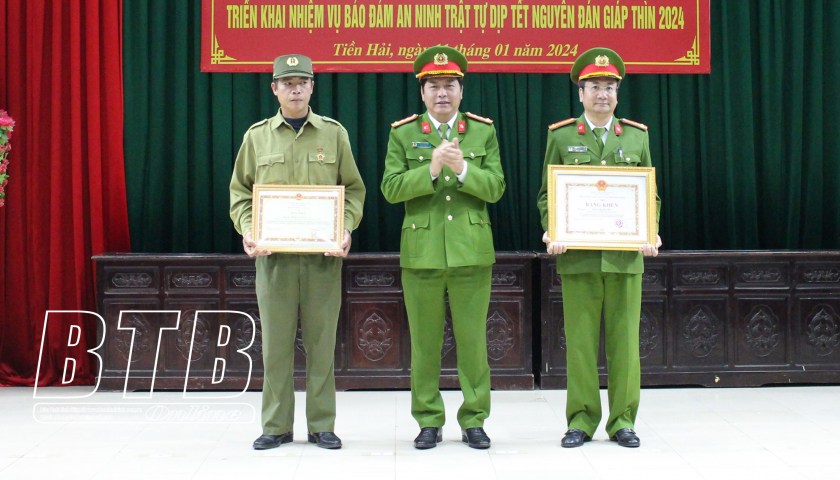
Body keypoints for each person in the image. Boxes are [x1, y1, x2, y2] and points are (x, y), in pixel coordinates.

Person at [229, 54, 366, 450]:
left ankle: (322, 425)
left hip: (322, 261)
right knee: (275, 347)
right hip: (274, 261)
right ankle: (276, 426)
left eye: (302, 82)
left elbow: (353, 190)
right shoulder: (257, 137)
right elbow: (240, 192)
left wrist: (345, 227)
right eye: (287, 83)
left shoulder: (333, 134)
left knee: (322, 346)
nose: (295, 89)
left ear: (312, 87)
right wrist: (248, 228)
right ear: (274, 89)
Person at [536, 47, 662, 448]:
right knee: (580, 344)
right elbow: (547, 195)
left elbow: (649, 194)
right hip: (579, 258)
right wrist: (552, 229)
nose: (602, 94)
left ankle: (623, 420)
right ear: (581, 93)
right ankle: (581, 420)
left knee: (626, 345)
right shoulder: (561, 136)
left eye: (609, 87)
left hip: (625, 258)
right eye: (594, 87)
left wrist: (652, 231)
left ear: (617, 93)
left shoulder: (637, 136)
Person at [381, 46, 505, 450]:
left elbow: (496, 187)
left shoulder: (482, 131)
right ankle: (428, 420)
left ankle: (474, 419)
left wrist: (462, 168)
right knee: (425, 344)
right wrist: (431, 167)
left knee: (473, 343)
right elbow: (390, 188)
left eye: (450, 85)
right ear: (422, 92)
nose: (442, 93)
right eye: (433, 86)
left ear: (461, 90)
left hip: (471, 251)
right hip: (423, 253)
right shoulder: (403, 133)